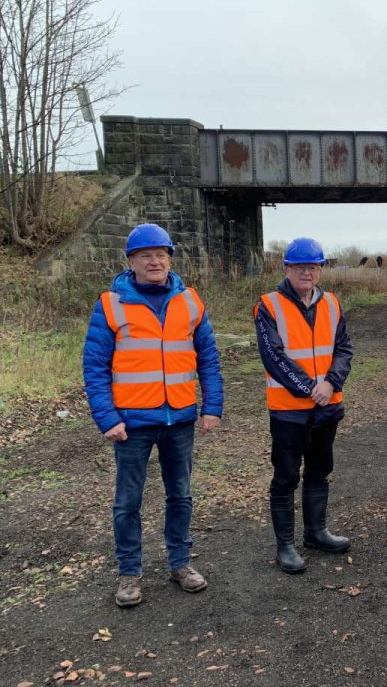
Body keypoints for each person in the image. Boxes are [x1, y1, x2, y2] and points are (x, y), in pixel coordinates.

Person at [83, 223, 223, 608]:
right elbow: (94, 366)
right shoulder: (111, 304)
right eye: (146, 255)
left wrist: (212, 406)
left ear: (170, 259)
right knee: (128, 501)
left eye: (161, 254)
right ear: (131, 262)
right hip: (131, 425)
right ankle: (130, 573)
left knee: (181, 495)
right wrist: (106, 416)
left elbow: (209, 359)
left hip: (178, 419)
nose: (155, 261)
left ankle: (180, 564)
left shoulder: (191, 302)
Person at [254, 237, 354, 574]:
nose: (307, 273)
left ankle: (316, 532)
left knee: (319, 471)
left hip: (327, 407)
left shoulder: (333, 304)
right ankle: (285, 545)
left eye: (313, 267)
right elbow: (273, 357)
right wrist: (312, 388)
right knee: (285, 477)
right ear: (286, 268)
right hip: (288, 410)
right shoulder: (268, 305)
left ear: (321, 269)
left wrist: (331, 384)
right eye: (300, 267)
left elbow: (344, 350)